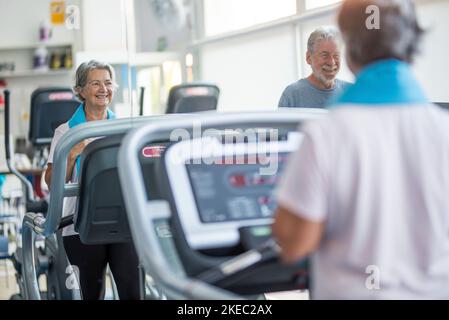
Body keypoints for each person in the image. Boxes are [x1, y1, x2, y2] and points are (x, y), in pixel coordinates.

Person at [273, 0, 449, 299]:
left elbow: (294, 243)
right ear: (411, 48)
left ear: (351, 51)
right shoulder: (442, 130)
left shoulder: (326, 134)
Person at [44, 60, 140, 300]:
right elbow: (50, 182)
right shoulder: (65, 132)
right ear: (80, 90)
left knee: (133, 291)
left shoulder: (124, 128)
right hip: (81, 225)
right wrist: (72, 154)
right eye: (95, 83)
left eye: (107, 83)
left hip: (121, 221)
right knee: (92, 293)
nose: (103, 89)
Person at [278, 26, 351, 109]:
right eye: (324, 55)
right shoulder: (292, 95)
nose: (331, 62)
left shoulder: (351, 91)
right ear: (309, 57)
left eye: (336, 55)